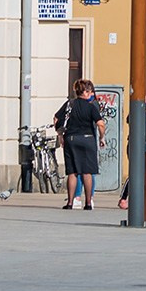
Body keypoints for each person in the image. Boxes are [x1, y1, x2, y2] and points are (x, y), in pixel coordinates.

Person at [55, 79, 104, 211]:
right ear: (86, 92)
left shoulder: (69, 104)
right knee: (87, 172)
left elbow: (56, 119)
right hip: (87, 139)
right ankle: (88, 203)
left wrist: (60, 135)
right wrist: (102, 137)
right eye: (90, 91)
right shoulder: (91, 106)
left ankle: (70, 202)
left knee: (72, 172)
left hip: (71, 139)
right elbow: (100, 124)